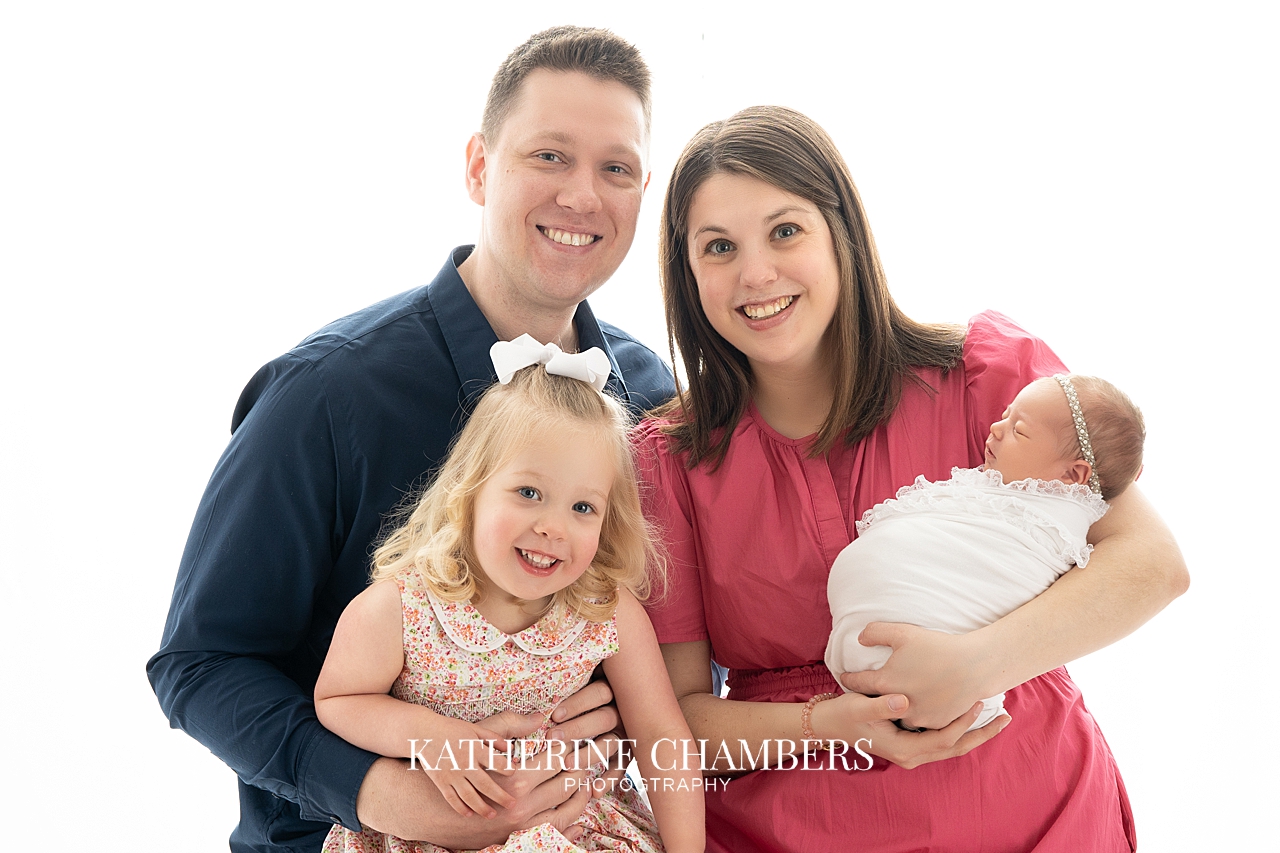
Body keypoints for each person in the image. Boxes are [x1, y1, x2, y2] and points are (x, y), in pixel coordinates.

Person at [148, 26, 678, 853]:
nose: (582, 195)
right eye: (549, 156)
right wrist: (380, 792)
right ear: (478, 166)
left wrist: (617, 704)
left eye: (615, 168)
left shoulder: (652, 399)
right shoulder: (323, 394)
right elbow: (200, 664)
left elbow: (673, 650)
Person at [636, 105, 1188, 851]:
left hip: (1042, 816)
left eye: (785, 230)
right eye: (718, 247)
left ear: (841, 232)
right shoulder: (666, 463)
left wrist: (973, 665)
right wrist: (824, 722)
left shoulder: (987, 381)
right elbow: (675, 725)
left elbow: (1153, 564)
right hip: (788, 830)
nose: (755, 272)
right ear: (687, 269)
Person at [315, 349, 704, 853]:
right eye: (528, 492)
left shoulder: (605, 609)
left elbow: (661, 733)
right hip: (431, 832)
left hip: (572, 829)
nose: (552, 526)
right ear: (470, 490)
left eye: (583, 507)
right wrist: (427, 735)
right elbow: (338, 700)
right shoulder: (401, 607)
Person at [826, 374, 1146, 730]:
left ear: (1073, 475)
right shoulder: (1001, 492)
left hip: (930, 661)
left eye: (1018, 431)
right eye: (1005, 415)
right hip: (879, 662)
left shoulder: (1052, 525)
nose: (995, 427)